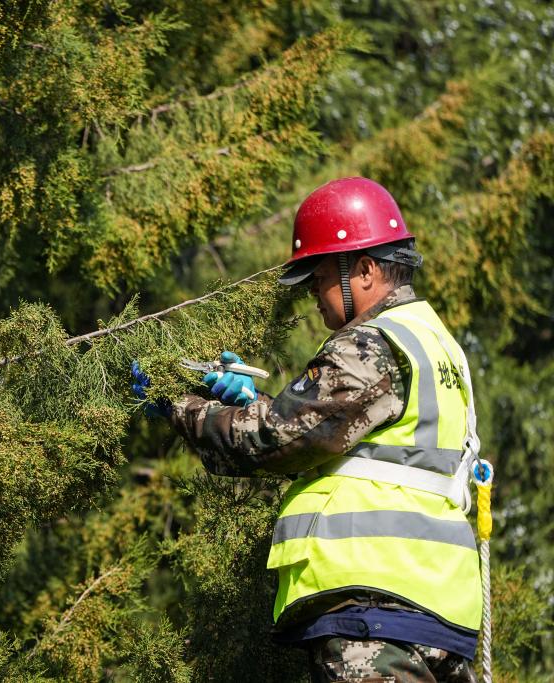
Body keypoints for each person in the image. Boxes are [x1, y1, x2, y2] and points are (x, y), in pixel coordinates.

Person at [134, 177, 483, 682]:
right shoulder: (433, 342)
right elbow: (363, 447)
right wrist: (251, 403)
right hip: (438, 609)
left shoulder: (369, 343)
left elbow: (271, 440)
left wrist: (176, 403)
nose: (314, 296)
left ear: (365, 270)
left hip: (373, 608)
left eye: (319, 278)